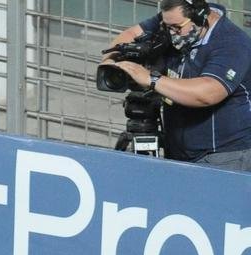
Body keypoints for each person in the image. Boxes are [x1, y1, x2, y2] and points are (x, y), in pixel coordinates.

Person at [103, 1, 251, 170]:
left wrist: (151, 80)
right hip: (178, 150)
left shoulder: (232, 43)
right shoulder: (172, 18)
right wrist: (111, 63)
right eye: (167, 27)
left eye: (176, 28)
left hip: (223, 155)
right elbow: (132, 33)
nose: (171, 34)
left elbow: (208, 93)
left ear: (199, 17)